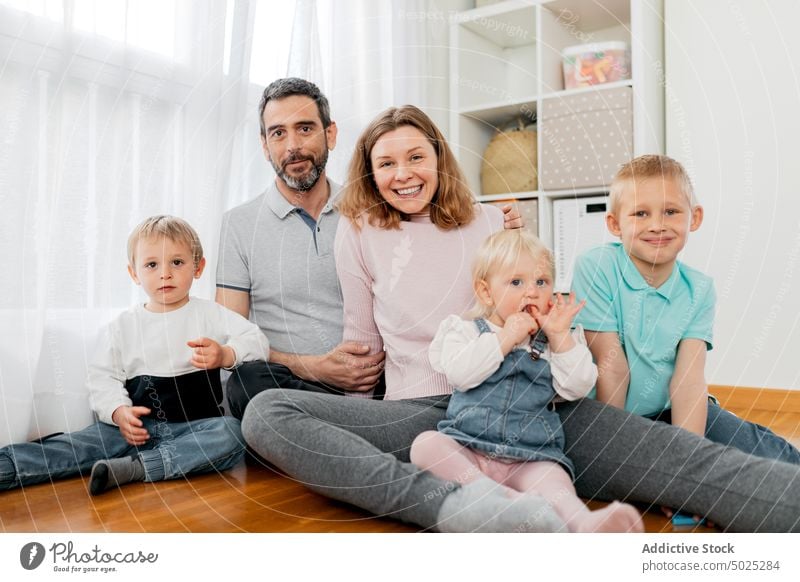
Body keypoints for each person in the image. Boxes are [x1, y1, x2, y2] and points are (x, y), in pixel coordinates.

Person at [242, 105, 800, 532]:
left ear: (439, 158)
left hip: (538, 407)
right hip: (430, 416)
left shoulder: (491, 221)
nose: (404, 174)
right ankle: (464, 507)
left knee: (697, 463)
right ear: (369, 172)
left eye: (417, 157)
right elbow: (363, 342)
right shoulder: (358, 231)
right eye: (386, 163)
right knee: (267, 412)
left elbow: (541, 312)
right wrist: (350, 416)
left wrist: (558, 341)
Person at [216, 78, 521, 418]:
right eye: (278, 133)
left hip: (377, 378)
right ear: (264, 144)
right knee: (248, 382)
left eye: (305, 128)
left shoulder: (374, 208)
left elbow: (432, 212)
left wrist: (490, 220)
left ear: (330, 134)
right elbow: (230, 333)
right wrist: (313, 367)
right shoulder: (239, 225)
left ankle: (340, 438)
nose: (292, 146)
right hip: (298, 379)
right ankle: (347, 435)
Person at [0, 216, 269, 495]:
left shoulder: (210, 315)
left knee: (231, 433)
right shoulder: (123, 327)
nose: (165, 273)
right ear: (134, 274)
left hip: (193, 431)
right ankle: (7, 467)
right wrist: (119, 413)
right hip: (132, 431)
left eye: (177, 262)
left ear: (198, 267)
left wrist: (226, 354)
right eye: (152, 265)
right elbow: (103, 378)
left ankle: (137, 469)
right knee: (75, 445)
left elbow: (258, 341)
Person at [571, 154, 800, 465]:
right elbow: (611, 367)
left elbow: (688, 382)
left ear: (694, 217)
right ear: (615, 224)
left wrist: (686, 461)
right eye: (640, 213)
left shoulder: (699, 289)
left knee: (777, 456)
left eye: (671, 211)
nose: (657, 225)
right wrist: (616, 454)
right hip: (609, 417)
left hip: (675, 412)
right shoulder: (596, 266)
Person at [410, 229, 643, 532]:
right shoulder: (465, 330)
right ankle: (495, 497)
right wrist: (506, 338)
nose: (532, 292)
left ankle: (585, 523)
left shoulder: (556, 338)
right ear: (485, 292)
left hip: (531, 457)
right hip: (470, 448)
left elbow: (578, 386)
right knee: (426, 445)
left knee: (554, 480)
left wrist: (560, 338)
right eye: (517, 282)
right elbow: (461, 374)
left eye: (541, 282)